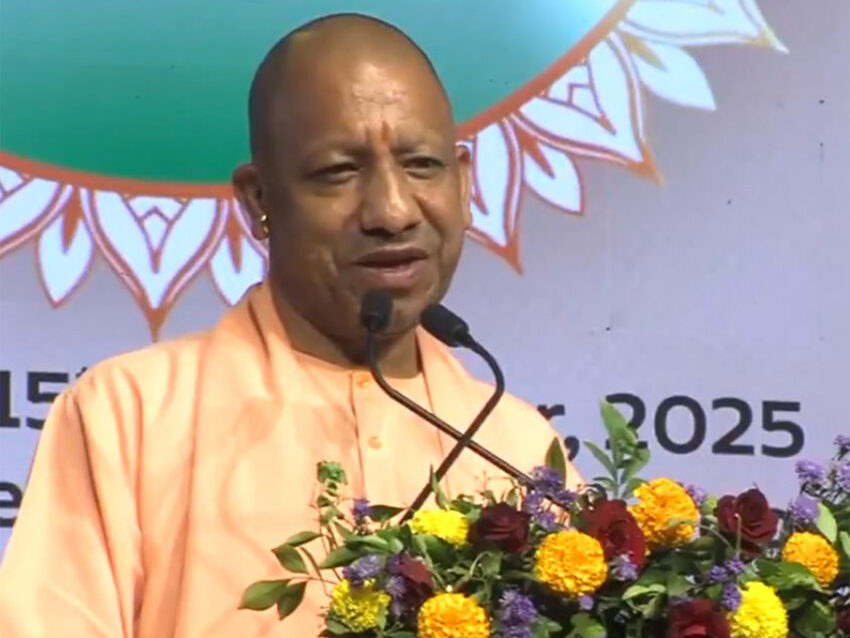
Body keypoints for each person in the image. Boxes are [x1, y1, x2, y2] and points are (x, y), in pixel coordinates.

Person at [0, 13, 580, 637]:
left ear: (463, 184)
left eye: (421, 165)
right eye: (339, 172)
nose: (392, 212)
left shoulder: (517, 447)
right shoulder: (128, 416)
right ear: (260, 200)